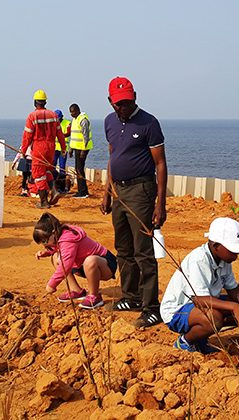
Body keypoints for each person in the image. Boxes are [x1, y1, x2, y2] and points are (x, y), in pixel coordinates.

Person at [101, 76, 168, 328]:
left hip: (141, 190)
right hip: (118, 191)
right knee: (124, 248)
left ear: (135, 97)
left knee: (143, 251)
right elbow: (112, 155)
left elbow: (160, 163)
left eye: (127, 102)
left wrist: (160, 204)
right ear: (110, 102)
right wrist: (107, 191)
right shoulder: (109, 122)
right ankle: (131, 297)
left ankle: (152, 307)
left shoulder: (149, 123)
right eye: (118, 104)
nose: (123, 107)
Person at [160, 217, 239, 353]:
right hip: (178, 311)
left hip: (203, 304)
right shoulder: (199, 260)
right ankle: (185, 342)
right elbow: (199, 300)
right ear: (216, 246)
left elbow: (233, 290)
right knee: (214, 318)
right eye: (233, 251)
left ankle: (200, 341)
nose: (236, 255)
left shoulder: (224, 260)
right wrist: (234, 307)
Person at [33, 212, 117, 309]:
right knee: (56, 257)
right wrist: (48, 252)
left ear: (53, 233)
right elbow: (62, 250)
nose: (44, 245)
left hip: (105, 265)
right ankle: (76, 291)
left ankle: (94, 296)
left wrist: (52, 284)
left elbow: (66, 263)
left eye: (45, 241)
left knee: (90, 260)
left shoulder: (68, 238)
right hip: (84, 267)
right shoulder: (59, 235)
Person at [20, 89, 67, 208]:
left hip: (39, 148)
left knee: (38, 174)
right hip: (51, 147)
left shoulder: (32, 116)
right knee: (47, 170)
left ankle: (44, 202)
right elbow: (60, 134)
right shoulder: (53, 115)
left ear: (35, 102)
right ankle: (54, 190)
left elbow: (27, 136)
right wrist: (63, 147)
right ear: (45, 102)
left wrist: (23, 151)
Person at [69, 103, 92, 198]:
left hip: (82, 148)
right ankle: (83, 190)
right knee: (78, 169)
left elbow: (85, 136)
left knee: (79, 170)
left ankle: (82, 192)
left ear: (78, 110)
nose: (72, 114)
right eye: (70, 112)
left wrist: (84, 149)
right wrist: (70, 149)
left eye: (73, 112)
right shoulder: (74, 120)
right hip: (76, 148)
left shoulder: (83, 120)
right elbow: (73, 136)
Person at [53, 109, 71, 193]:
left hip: (63, 149)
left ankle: (62, 186)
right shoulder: (52, 123)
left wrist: (60, 135)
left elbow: (68, 133)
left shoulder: (67, 123)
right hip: (54, 148)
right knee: (52, 166)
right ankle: (53, 185)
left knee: (62, 167)